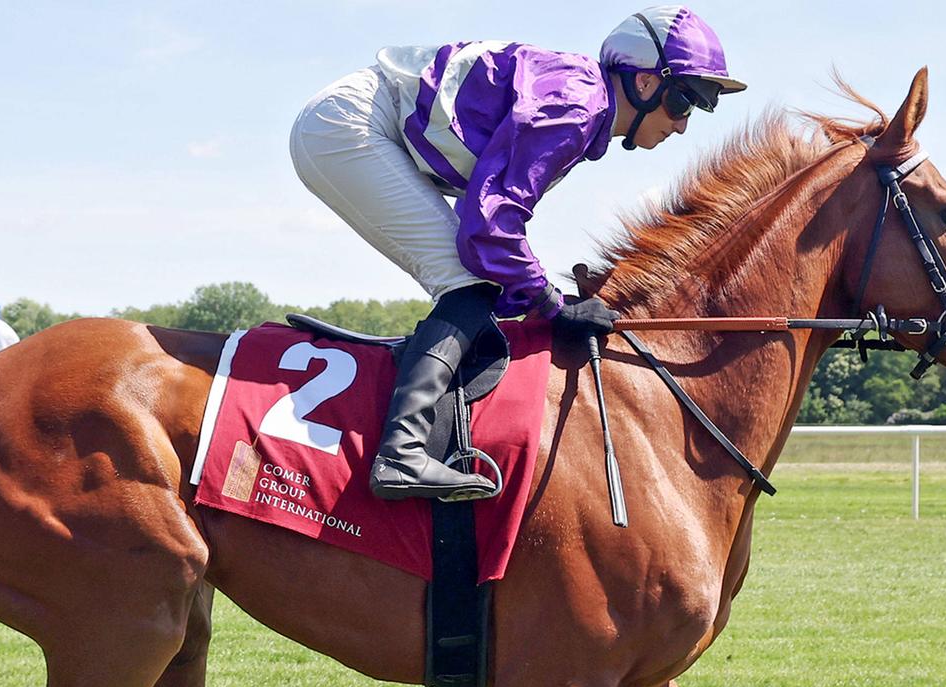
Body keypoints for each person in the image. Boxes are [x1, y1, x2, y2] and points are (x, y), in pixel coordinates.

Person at [291, 6, 746, 501]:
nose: (681, 126)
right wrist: (552, 303)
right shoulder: (577, 105)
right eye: (682, 102)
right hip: (351, 127)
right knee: (469, 284)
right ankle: (402, 452)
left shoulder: (579, 103)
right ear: (642, 84)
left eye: (697, 109)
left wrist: (538, 297)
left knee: (477, 284)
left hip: (351, 123)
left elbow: (483, 223)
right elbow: (488, 231)